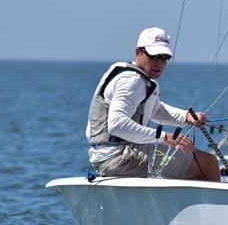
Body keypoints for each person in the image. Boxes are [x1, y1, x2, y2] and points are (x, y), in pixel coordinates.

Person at [86, 27, 220, 181]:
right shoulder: (132, 81)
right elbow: (116, 125)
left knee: (193, 158)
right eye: (154, 57)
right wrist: (165, 137)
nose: (159, 63)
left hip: (112, 156)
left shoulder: (139, 78)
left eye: (164, 58)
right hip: (119, 157)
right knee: (208, 164)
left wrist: (186, 116)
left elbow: (155, 110)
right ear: (138, 52)